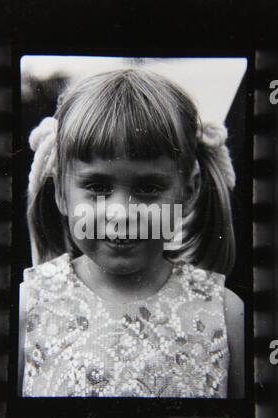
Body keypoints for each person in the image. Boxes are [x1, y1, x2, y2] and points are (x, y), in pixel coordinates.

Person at [18, 68, 244, 398]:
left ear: (190, 190)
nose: (122, 213)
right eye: (96, 186)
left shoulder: (225, 313)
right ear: (61, 193)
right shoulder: (30, 305)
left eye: (149, 187)